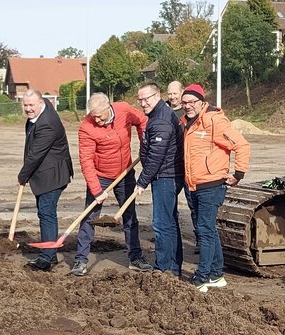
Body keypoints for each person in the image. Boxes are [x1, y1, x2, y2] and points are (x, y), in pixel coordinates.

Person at [69, 93, 152, 276]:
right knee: (90, 216)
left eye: (100, 115)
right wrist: (97, 190)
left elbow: (143, 121)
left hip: (125, 172)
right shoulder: (87, 127)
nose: (96, 119)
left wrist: (145, 145)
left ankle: (135, 258)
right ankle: (80, 260)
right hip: (100, 176)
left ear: (109, 107)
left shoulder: (123, 109)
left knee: (130, 216)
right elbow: (86, 161)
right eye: (93, 115)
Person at [181, 84, 250, 292]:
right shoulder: (186, 122)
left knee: (204, 230)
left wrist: (238, 173)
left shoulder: (214, 120)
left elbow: (242, 145)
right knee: (208, 229)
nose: (188, 106)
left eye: (192, 102)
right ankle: (217, 274)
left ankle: (202, 277)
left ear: (202, 102)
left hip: (211, 184)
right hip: (194, 184)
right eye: (184, 103)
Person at [18, 89, 73, 272]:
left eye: (31, 105)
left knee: (47, 212)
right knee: (45, 213)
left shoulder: (47, 123)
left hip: (53, 175)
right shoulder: (42, 111)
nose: (28, 109)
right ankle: (50, 253)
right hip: (45, 173)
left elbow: (36, 155)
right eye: (25, 105)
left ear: (41, 103)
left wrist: (23, 175)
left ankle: (47, 258)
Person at [136, 83, 184, 276]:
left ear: (156, 96)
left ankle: (164, 267)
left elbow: (157, 156)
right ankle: (172, 266)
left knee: (162, 223)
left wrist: (142, 181)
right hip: (166, 175)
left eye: (145, 99)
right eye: (139, 100)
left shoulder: (161, 120)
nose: (142, 103)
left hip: (166, 176)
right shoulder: (159, 113)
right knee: (169, 221)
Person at [167, 80, 199, 254]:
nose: (172, 97)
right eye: (169, 93)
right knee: (169, 205)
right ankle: (170, 239)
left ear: (182, 93)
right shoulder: (163, 110)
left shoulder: (189, 112)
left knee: (194, 204)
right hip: (170, 167)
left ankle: (200, 238)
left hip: (188, 166)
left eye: (175, 93)